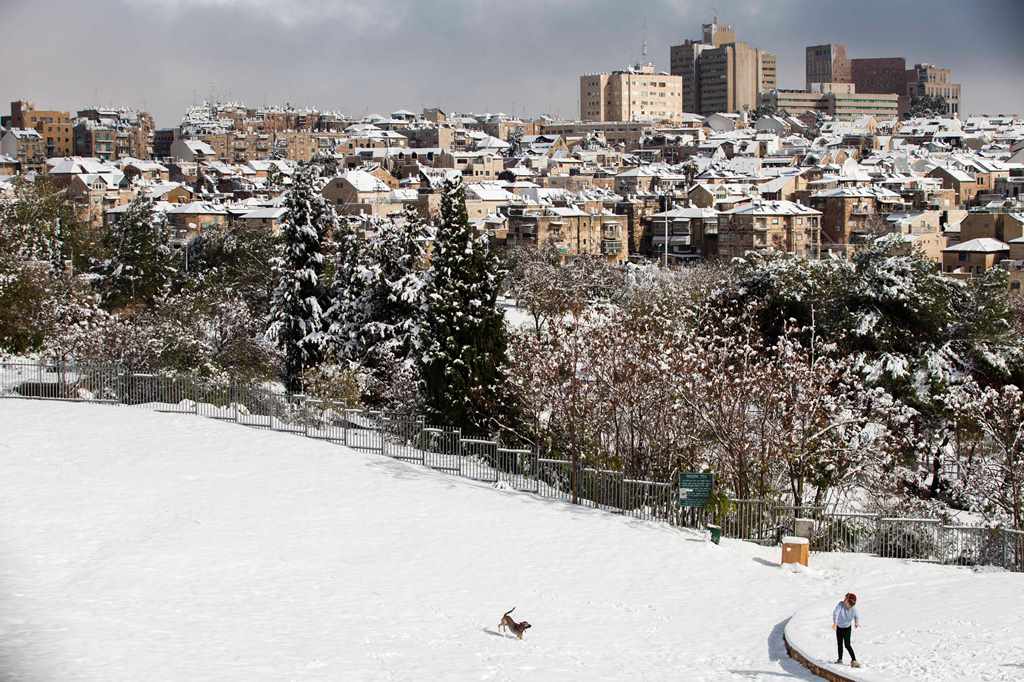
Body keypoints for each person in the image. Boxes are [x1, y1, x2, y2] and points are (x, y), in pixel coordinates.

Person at [831, 592, 861, 667]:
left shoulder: (853, 609)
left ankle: (854, 660)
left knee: (847, 644)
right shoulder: (840, 604)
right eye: (844, 599)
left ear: (850, 603)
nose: (844, 601)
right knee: (839, 644)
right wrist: (835, 623)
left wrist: (856, 623)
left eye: (846, 600)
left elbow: (856, 616)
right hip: (839, 627)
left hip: (847, 628)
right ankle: (840, 659)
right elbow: (836, 613)